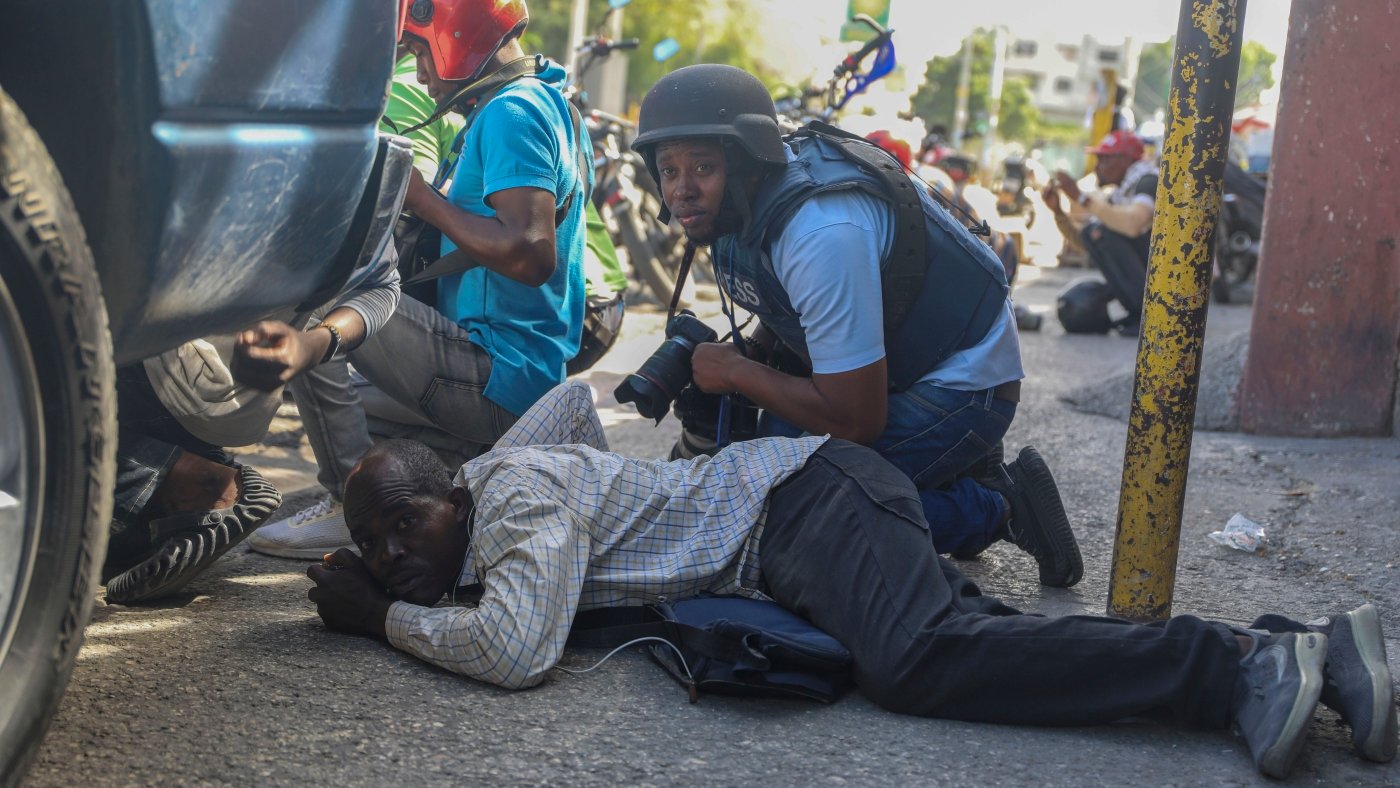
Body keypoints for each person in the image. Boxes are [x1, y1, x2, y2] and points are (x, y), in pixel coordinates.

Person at [306, 381, 1397, 780]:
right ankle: (1307, 646)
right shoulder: (501, 471)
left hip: (805, 503)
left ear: (455, 493)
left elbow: (513, 650)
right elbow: (573, 402)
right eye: (376, 540)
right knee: (983, 644)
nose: (395, 548)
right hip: (804, 516)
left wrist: (384, 613)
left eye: (406, 522)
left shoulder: (518, 500)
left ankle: (1238, 667)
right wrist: (373, 549)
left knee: (919, 660)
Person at [626, 64, 1081, 587]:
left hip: (961, 382)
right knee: (753, 470)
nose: (681, 190)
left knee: (785, 521)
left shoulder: (821, 233)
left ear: (749, 161)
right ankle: (953, 470)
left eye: (702, 168)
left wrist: (735, 374)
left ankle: (997, 505)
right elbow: (787, 302)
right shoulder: (739, 207)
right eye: (668, 170)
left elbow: (855, 418)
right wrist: (756, 354)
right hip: (895, 365)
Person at [247, 0, 592, 559]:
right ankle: (431, 470)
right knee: (347, 407)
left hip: (494, 374)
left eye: (417, 49)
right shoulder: (547, 101)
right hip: (514, 378)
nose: (418, 68)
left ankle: (348, 506)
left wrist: (422, 198)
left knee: (319, 294)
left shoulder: (514, 110)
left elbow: (531, 253)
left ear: (456, 31)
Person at [104, 225, 402, 604]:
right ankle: (173, 499)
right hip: (227, 397)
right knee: (100, 545)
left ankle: (188, 483)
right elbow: (384, 284)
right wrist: (314, 344)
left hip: (152, 356)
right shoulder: (379, 167)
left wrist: (312, 346)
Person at [1043, 130, 1158, 336]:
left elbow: (1132, 224)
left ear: (1125, 160)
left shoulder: (1148, 181)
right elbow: (1086, 242)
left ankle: (1149, 316)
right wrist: (1059, 212)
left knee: (1101, 231)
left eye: (1104, 160)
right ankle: (1138, 313)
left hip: (1165, 275)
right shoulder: (1121, 194)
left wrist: (1082, 198)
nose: (1097, 167)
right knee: (1095, 232)